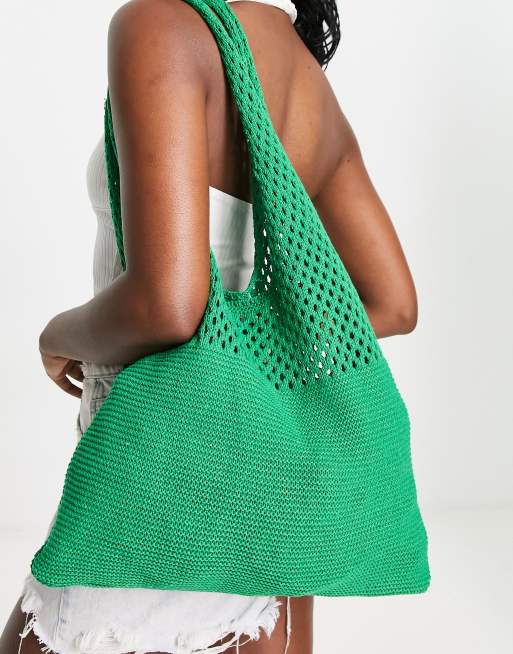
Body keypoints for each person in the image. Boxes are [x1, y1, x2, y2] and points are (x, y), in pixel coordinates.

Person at [0, 0, 419, 652]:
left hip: (169, 469)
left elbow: (168, 305)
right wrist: (259, 354)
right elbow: (392, 303)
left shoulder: (160, 26)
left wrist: (56, 337)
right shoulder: (297, 62)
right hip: (274, 490)